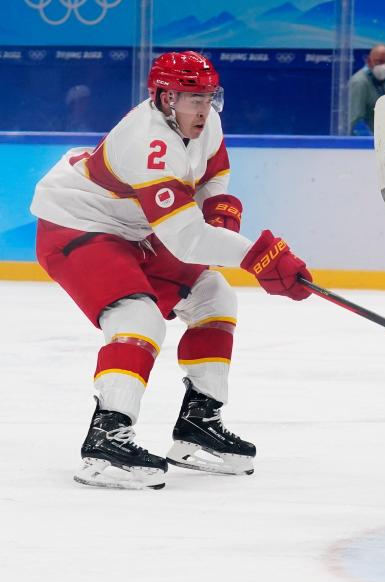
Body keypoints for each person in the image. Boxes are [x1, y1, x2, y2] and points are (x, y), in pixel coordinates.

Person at [30, 51, 315, 490]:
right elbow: (185, 240)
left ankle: (198, 426)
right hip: (78, 225)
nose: (202, 108)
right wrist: (261, 258)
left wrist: (217, 205)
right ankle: (106, 439)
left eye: (207, 97)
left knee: (214, 297)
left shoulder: (206, 121)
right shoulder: (147, 143)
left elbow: (214, 168)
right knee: (137, 316)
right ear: (164, 99)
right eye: (190, 98)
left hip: (134, 228)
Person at [348, 44, 385, 136]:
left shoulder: (383, 83)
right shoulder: (360, 82)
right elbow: (356, 123)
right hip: (368, 146)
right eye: (379, 61)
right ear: (369, 61)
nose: (384, 66)